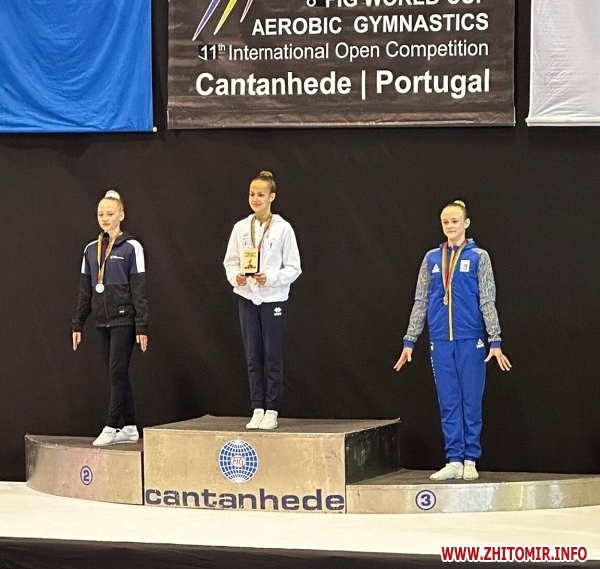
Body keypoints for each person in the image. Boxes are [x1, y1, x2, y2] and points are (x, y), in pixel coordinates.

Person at [393, 200, 511, 481]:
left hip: (471, 339)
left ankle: (470, 458)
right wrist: (410, 340)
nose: (449, 226)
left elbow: (487, 299)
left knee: (470, 400)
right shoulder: (431, 259)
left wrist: (494, 340)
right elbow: (421, 301)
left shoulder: (479, 257)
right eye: (445, 222)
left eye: (455, 221)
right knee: (448, 402)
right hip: (440, 341)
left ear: (466, 223)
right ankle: (454, 459)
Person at [224, 171, 301, 430]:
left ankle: (272, 409)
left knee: (271, 355)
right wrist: (236, 277)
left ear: (272, 197)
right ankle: (257, 407)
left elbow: (294, 267)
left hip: (273, 299)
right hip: (248, 298)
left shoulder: (283, 229)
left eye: (261, 194)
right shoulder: (240, 228)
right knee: (252, 355)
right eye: (251, 194)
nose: (255, 199)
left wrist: (271, 278)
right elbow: (230, 262)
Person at [72, 189, 148, 447]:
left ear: (121, 215)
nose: (105, 218)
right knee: (118, 374)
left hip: (124, 320)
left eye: (110, 213)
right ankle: (130, 426)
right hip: (102, 321)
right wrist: (78, 323)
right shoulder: (90, 250)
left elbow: (139, 289)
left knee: (116, 372)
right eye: (101, 214)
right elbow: (85, 290)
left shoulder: (132, 247)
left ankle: (111, 424)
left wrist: (142, 325)